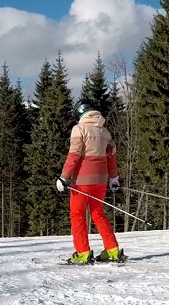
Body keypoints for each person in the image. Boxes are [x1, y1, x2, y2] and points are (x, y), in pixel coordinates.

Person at [56, 102, 125, 264]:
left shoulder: (79, 129)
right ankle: (113, 250)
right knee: (98, 215)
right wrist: (113, 178)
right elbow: (111, 157)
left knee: (77, 215)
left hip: (82, 181)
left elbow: (74, 155)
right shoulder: (105, 132)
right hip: (101, 181)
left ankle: (83, 253)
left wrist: (64, 177)